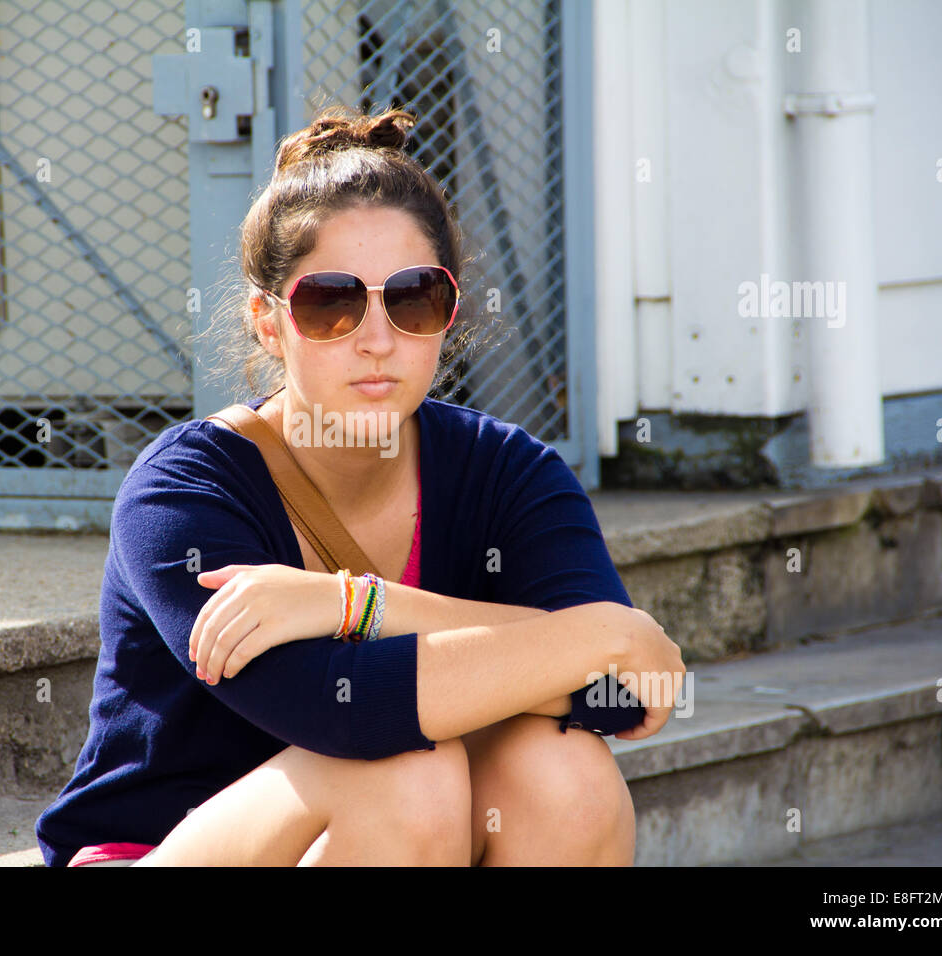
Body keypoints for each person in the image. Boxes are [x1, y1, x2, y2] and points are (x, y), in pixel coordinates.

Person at [35, 105, 684, 867]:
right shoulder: (183, 490)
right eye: (331, 302)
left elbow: (621, 698)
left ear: (448, 313)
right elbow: (338, 711)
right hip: (161, 848)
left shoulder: (509, 472)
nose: (378, 339)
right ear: (268, 324)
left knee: (566, 773)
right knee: (409, 769)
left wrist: (343, 605)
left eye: (412, 298)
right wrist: (596, 639)